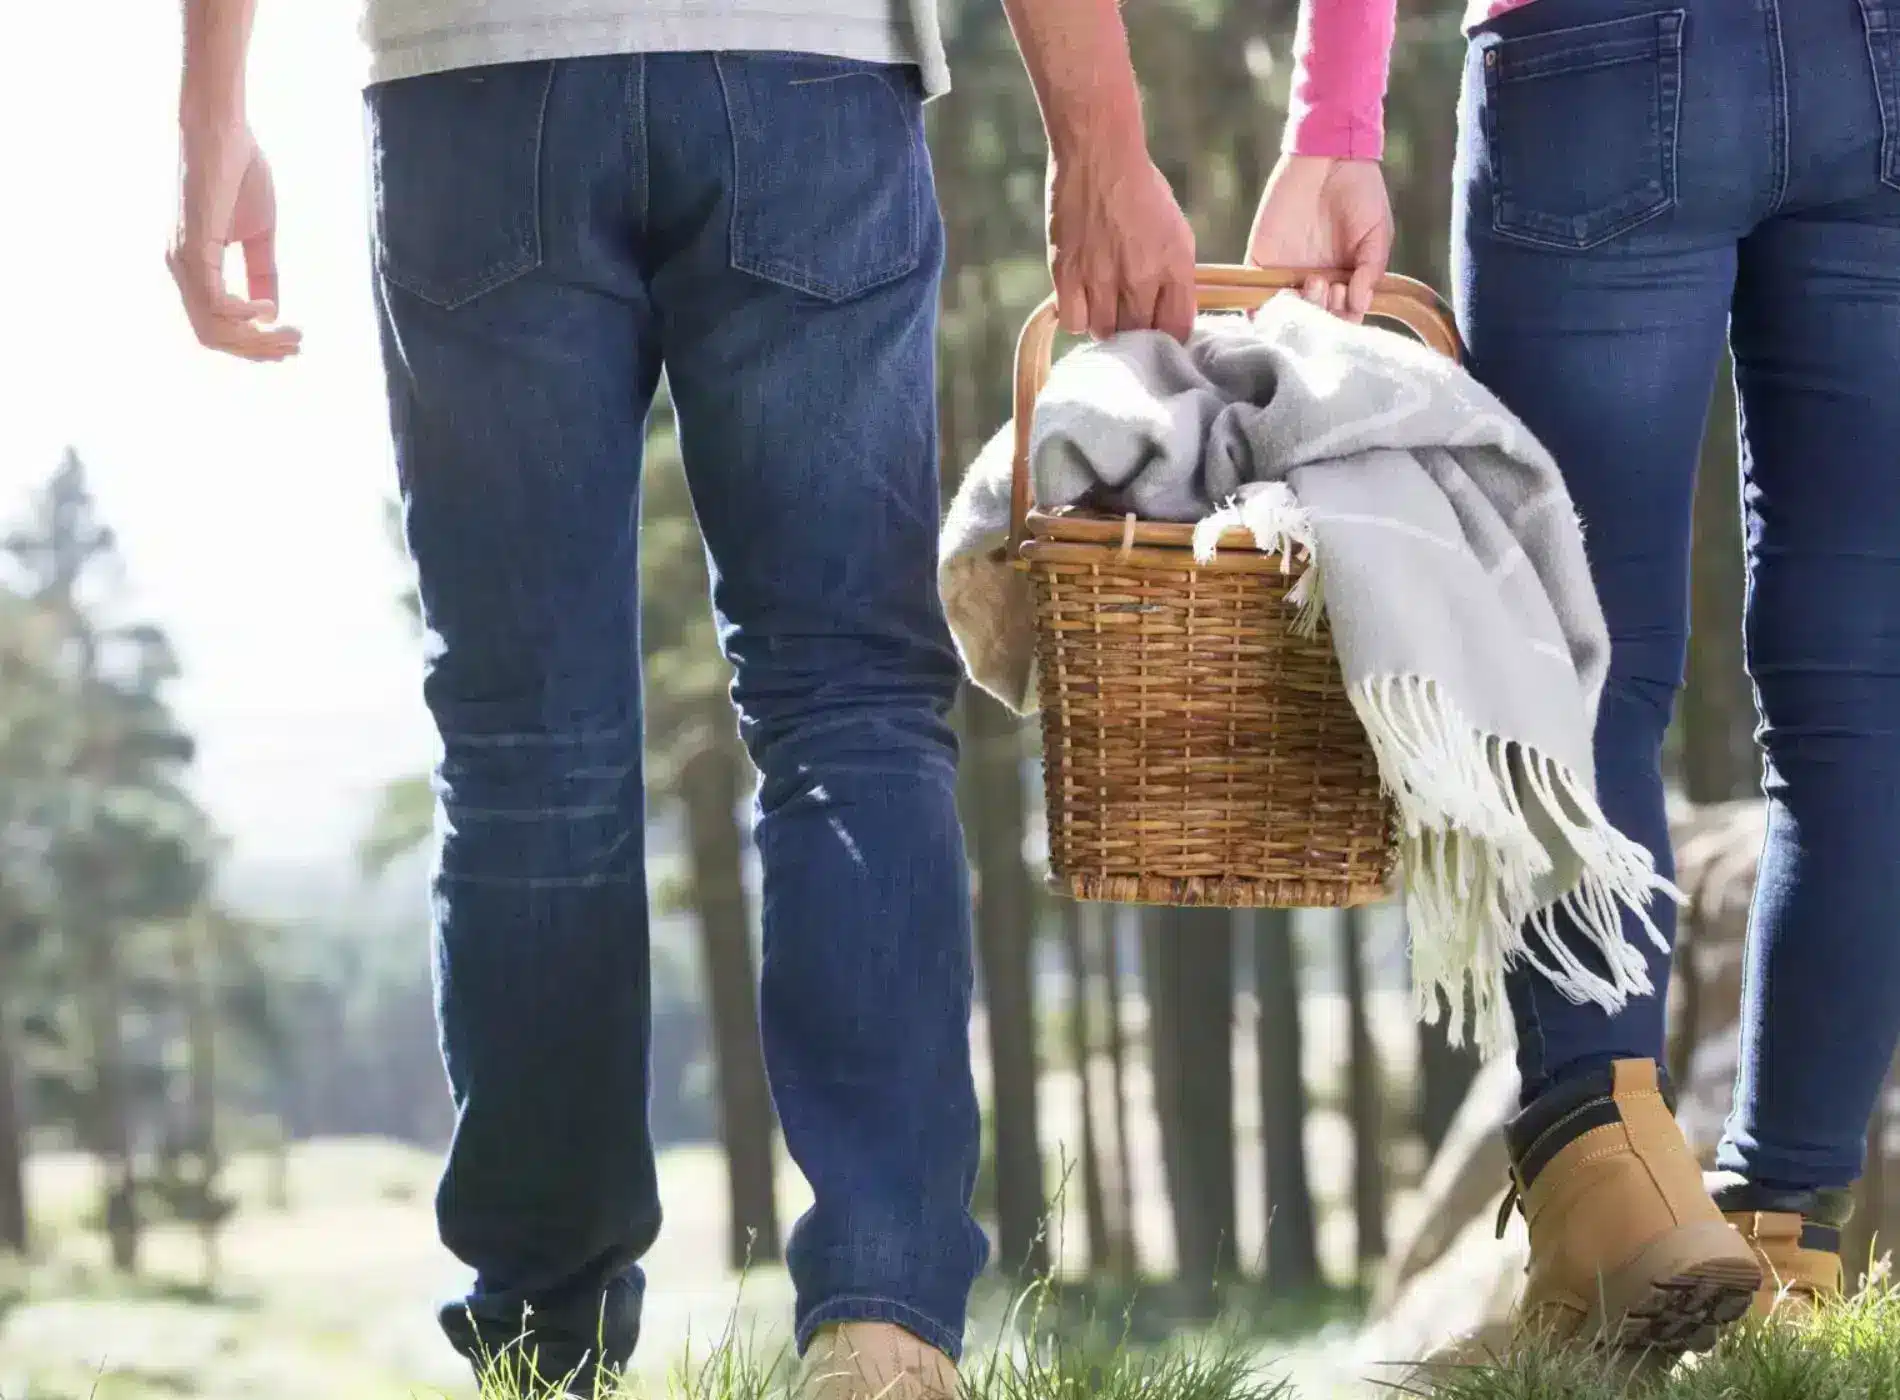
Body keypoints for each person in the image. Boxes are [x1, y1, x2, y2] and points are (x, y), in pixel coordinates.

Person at [169, 0, 1193, 1395]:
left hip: (477, 84)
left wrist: (211, 112)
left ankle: (543, 1340)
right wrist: (1102, 140)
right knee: (850, 709)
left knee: (527, 745)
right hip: (804, 82)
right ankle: (884, 1325)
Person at [1252, 0, 1900, 1356]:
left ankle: (1611, 1176)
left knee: (1579, 658)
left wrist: (1335, 118)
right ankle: (1791, 1259)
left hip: (1601, 62)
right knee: (1861, 696)